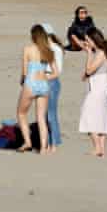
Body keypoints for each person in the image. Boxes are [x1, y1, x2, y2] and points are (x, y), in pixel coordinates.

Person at [15, 25, 54, 153]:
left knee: (21, 113)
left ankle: (27, 142)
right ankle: (43, 148)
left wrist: (22, 82)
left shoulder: (28, 49)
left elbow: (25, 72)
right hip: (44, 84)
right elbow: (55, 72)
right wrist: (46, 77)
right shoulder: (48, 51)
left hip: (31, 83)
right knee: (41, 118)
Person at [79, 28, 107, 158]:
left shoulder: (100, 53)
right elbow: (88, 73)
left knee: (89, 115)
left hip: (98, 87)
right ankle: (102, 149)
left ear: (94, 40)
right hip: (99, 85)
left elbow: (89, 70)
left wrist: (88, 53)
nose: (87, 42)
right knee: (100, 117)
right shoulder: (100, 52)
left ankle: (98, 148)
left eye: (88, 40)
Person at [42, 23, 64, 153]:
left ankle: (53, 144)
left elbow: (57, 70)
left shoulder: (54, 49)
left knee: (51, 114)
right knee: (45, 114)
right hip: (47, 81)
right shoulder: (50, 48)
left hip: (51, 81)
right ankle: (49, 142)